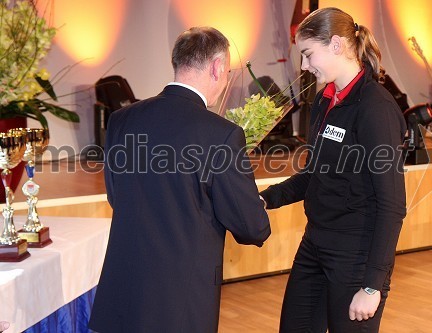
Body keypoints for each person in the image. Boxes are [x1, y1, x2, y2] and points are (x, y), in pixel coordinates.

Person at [89, 26, 271, 333]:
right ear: (216, 67)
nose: (224, 81)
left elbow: (116, 196)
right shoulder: (221, 134)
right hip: (180, 303)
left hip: (124, 293)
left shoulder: (121, 120)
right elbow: (250, 225)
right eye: (226, 71)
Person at [259, 7, 407, 333]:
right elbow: (315, 175)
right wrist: (263, 199)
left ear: (337, 45)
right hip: (315, 245)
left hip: (356, 257)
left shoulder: (375, 108)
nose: (303, 66)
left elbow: (393, 204)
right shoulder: (325, 101)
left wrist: (372, 286)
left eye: (308, 54)